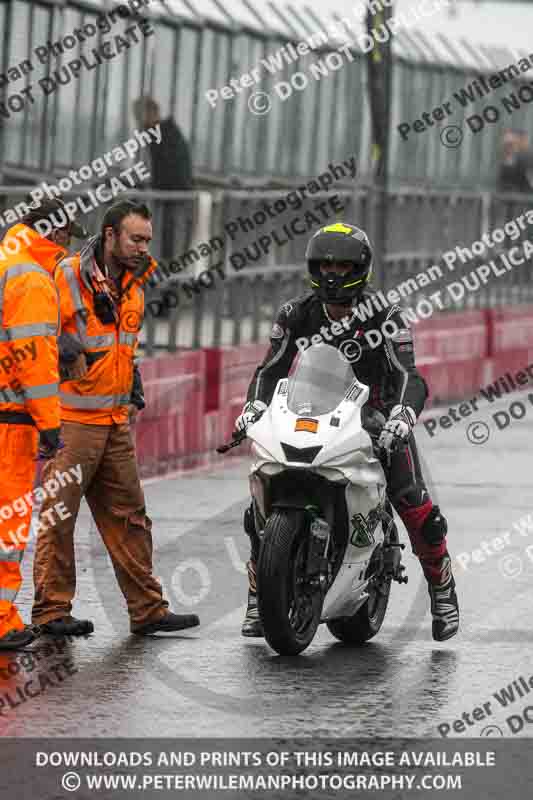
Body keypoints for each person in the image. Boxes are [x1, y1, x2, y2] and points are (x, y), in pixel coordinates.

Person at [235, 222, 459, 643]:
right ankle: (257, 590)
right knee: (260, 499)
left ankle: (441, 585)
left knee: (413, 503)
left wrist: (401, 416)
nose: (333, 273)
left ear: (361, 269)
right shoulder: (295, 314)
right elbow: (270, 370)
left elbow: (410, 377)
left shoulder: (387, 316)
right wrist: (254, 407)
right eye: (325, 264)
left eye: (342, 264)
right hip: (310, 414)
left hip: (375, 420)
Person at [31, 199, 200, 637]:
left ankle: (148, 609)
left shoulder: (135, 284)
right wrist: (59, 341)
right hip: (71, 423)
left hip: (113, 422)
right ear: (110, 235)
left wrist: (134, 377)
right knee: (59, 519)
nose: (144, 247)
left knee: (131, 518)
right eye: (135, 238)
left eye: (147, 239)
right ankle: (51, 612)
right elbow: (25, 320)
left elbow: (122, 345)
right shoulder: (67, 273)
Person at [0, 199, 85, 649]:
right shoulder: (30, 277)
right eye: (67, 236)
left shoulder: (5, 261)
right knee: (7, 526)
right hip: (10, 422)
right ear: (54, 233)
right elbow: (32, 363)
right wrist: (50, 424)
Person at [133, 96, 193, 261]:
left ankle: (168, 276)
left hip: (173, 198)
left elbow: (166, 172)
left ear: (151, 113)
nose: (139, 123)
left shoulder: (161, 136)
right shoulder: (168, 132)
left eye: (139, 116)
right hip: (176, 198)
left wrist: (149, 187)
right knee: (170, 243)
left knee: (170, 242)